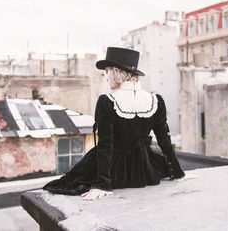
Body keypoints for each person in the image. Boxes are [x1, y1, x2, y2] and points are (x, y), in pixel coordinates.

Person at [43, 47, 185, 200]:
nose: (106, 78)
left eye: (107, 72)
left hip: (114, 172)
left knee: (69, 182)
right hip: (145, 170)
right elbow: (164, 139)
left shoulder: (107, 101)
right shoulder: (156, 100)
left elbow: (105, 145)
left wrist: (103, 184)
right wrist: (177, 172)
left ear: (116, 71)